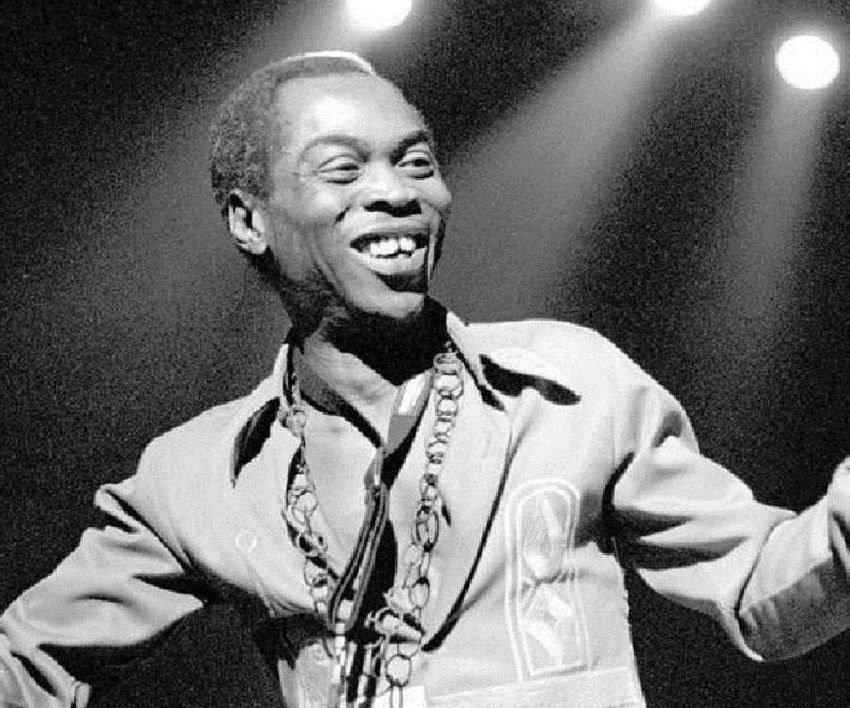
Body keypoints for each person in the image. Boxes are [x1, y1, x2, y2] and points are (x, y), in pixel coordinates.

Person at [1, 49, 849, 708]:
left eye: (415, 162)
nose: (398, 193)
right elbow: (29, 662)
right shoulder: (197, 476)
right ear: (248, 220)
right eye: (343, 169)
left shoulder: (573, 389)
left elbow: (762, 593)